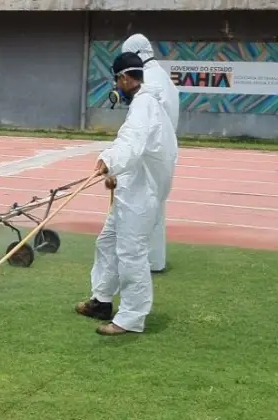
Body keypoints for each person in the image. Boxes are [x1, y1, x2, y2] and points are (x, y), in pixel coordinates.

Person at [75, 51, 178, 336]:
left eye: (117, 80)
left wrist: (109, 162)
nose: (117, 87)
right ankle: (101, 302)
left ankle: (131, 319)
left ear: (124, 78)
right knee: (107, 243)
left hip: (142, 197)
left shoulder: (145, 105)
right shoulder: (147, 104)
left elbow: (131, 141)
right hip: (133, 190)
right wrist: (115, 175)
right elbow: (141, 150)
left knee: (131, 254)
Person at [118, 33, 180, 273]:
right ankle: (154, 260)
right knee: (155, 207)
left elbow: (141, 123)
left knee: (139, 206)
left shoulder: (149, 82)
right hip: (164, 150)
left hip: (149, 152)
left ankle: (139, 259)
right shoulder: (163, 77)